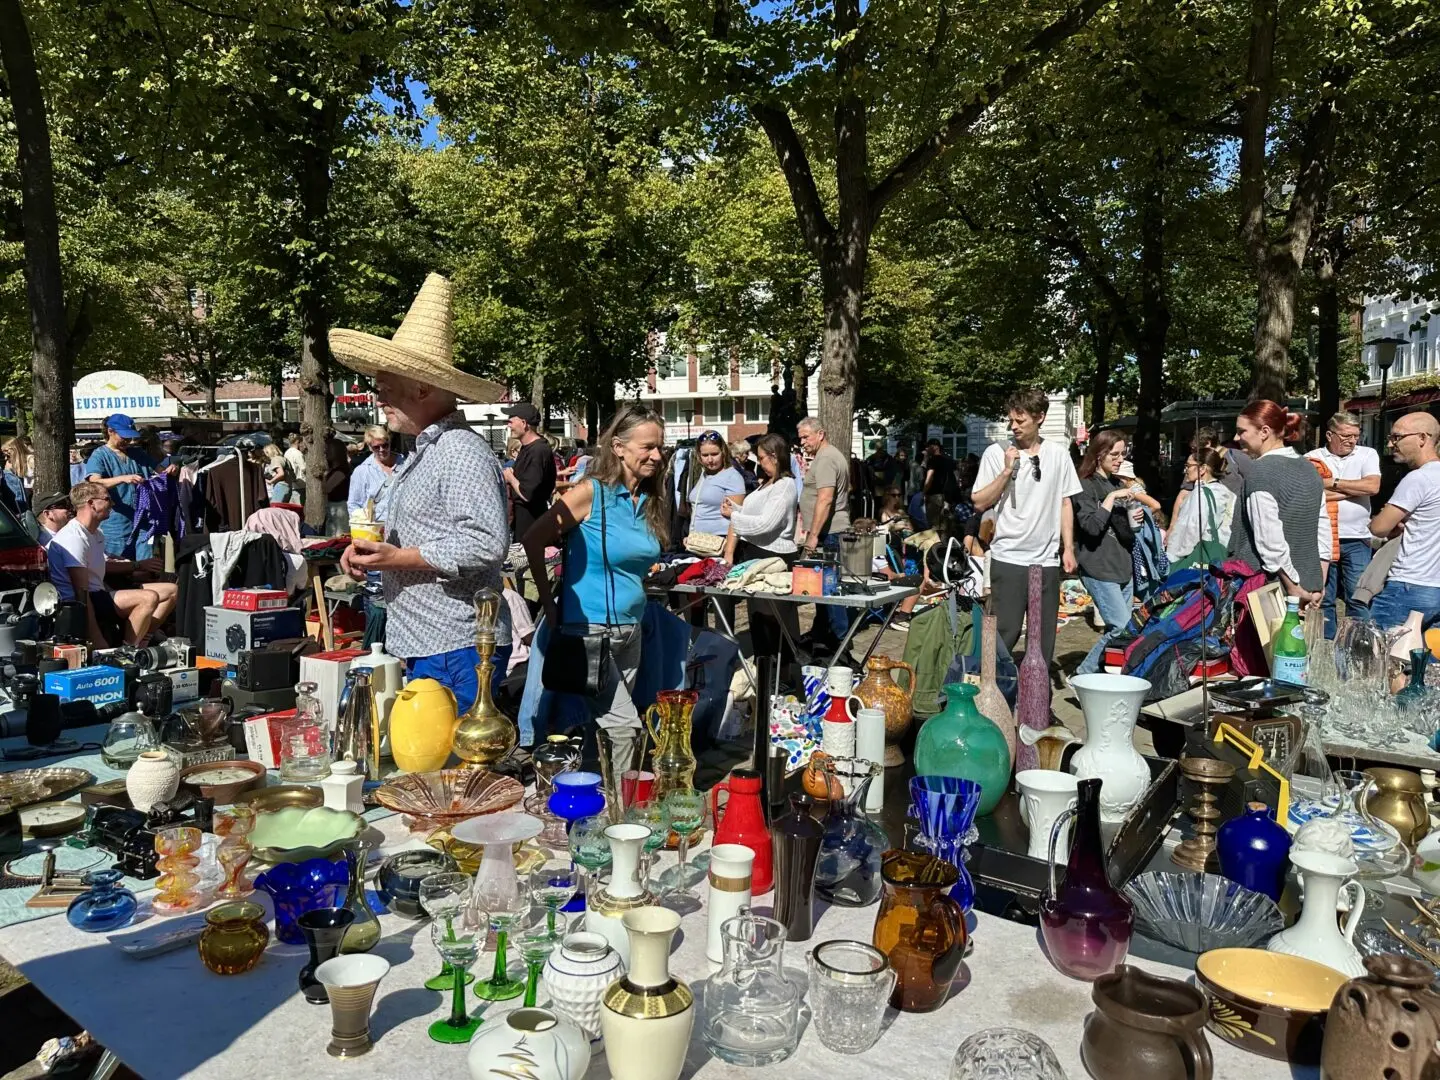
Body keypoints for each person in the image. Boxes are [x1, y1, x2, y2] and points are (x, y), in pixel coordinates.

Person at [332, 272, 512, 714]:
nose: (379, 399)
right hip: (436, 642)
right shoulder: (426, 450)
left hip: (457, 644)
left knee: (454, 756)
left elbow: (486, 542)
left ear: (423, 388)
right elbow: (430, 534)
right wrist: (370, 552)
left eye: (385, 389)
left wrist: (395, 558)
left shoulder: (458, 449)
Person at [523, 403, 668, 772]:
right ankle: (622, 805)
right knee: (624, 729)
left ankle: (590, 796)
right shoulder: (592, 492)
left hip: (631, 629)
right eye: (648, 447)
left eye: (660, 447)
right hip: (588, 631)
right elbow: (533, 538)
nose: (657, 455)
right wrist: (549, 604)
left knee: (601, 727)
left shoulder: (649, 500)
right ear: (618, 447)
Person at [971, 388, 1082, 664]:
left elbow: (1065, 502)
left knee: (1042, 637)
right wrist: (1007, 471)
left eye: (1020, 420)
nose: (1014, 426)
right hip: (1008, 557)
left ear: (1039, 417)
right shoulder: (996, 453)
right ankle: (994, 686)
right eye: (1011, 420)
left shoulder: (1058, 454)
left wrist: (1068, 548)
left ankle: (1037, 689)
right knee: (1004, 633)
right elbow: (979, 502)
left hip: (1046, 560)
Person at [49, 481, 178, 647]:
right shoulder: (74, 537)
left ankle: (143, 641)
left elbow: (102, 566)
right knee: (149, 598)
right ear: (91, 503)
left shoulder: (96, 533)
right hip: (79, 601)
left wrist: (136, 568)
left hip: (99, 593)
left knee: (171, 591)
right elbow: (81, 595)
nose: (113, 504)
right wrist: (97, 640)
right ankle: (126, 651)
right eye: (107, 499)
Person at [1227, 399, 1324, 604]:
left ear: (1264, 431)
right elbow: (1323, 530)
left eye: (1242, 431)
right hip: (1310, 584)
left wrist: (1293, 587)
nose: (1236, 438)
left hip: (1269, 589)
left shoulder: (1261, 472)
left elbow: (1269, 540)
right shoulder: (1309, 468)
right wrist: (1318, 582)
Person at [721, 431, 802, 667]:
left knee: (776, 625)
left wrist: (734, 516)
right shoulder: (766, 483)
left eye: (762, 458)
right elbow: (755, 515)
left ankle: (783, 676)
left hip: (774, 557)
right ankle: (764, 674)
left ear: (775, 457)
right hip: (757, 554)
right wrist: (735, 510)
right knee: (759, 623)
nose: (759, 462)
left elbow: (767, 523)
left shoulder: (785, 486)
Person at [1305, 411, 1382, 636]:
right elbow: (1311, 494)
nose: (1352, 440)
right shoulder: (1312, 458)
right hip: (1322, 538)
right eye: (1346, 436)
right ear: (1330, 435)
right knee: (1325, 598)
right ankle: (1327, 644)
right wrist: (1352, 490)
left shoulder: (1367, 454)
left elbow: (1372, 487)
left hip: (1357, 537)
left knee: (1359, 596)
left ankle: (1360, 643)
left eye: (1356, 435)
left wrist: (1331, 482)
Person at [1073, 432, 1138, 675]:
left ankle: (1104, 674)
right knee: (1120, 626)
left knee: (1124, 629)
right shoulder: (1085, 485)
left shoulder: (1117, 484)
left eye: (1123, 454)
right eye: (1115, 454)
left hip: (1122, 566)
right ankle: (1083, 674)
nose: (1121, 459)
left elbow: (1123, 532)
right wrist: (1111, 498)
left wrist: (1135, 521)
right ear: (1099, 454)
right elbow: (1091, 527)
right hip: (1098, 566)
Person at [1368, 411, 1440, 630]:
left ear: (1422, 438)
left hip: (1409, 584)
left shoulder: (1419, 478)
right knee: (1425, 651)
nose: (1391, 444)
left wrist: (1384, 519)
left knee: (1380, 649)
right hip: (1434, 587)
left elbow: (1379, 527)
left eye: (1397, 437)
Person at [796, 416, 853, 652]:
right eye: (800, 438)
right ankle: (821, 633)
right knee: (822, 587)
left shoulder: (827, 458)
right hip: (828, 532)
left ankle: (841, 642)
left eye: (806, 437)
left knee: (829, 587)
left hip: (830, 533)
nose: (802, 442)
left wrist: (813, 535)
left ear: (820, 434)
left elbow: (825, 498)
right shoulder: (825, 456)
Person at [84, 413, 172, 559]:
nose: (127, 440)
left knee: (147, 563)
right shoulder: (99, 456)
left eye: (130, 437)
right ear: (110, 432)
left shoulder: (138, 453)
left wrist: (171, 470)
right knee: (120, 563)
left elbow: (161, 471)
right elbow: (94, 482)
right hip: (117, 523)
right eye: (124, 436)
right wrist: (123, 479)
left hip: (144, 520)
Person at [1165, 449, 1236, 564]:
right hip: (1216, 556)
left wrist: (1172, 557)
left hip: (1193, 559)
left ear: (1202, 469)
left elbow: (1190, 530)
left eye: (1188, 466)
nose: (1185, 470)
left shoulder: (1199, 494)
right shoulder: (1226, 492)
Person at [501, 402, 557, 545]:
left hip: (531, 522)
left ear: (524, 423)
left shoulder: (538, 451)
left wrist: (511, 478)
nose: (509, 425)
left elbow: (527, 493)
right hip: (523, 520)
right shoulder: (528, 448)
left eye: (511, 421)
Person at [686, 431, 747, 543]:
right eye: (705, 455)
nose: (710, 460)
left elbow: (736, 519)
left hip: (719, 541)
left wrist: (729, 550)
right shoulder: (703, 474)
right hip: (698, 540)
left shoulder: (732, 477)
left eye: (714, 454)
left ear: (723, 452)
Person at [347, 424, 406, 523]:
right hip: (376, 526)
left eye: (385, 445)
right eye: (376, 447)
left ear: (389, 443)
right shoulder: (362, 471)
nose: (381, 450)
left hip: (404, 525)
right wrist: (362, 526)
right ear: (370, 447)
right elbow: (354, 504)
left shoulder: (406, 463)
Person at [923, 439, 958, 507]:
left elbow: (929, 478)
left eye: (928, 446)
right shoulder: (949, 460)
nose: (926, 449)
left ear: (935, 447)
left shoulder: (933, 460)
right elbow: (956, 476)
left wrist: (923, 493)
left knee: (933, 514)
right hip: (946, 496)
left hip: (934, 495)